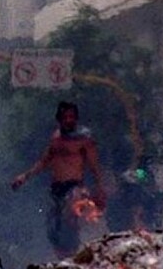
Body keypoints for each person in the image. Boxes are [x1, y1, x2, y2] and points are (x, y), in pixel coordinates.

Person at [11, 101, 107, 257]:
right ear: (59, 119)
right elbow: (44, 161)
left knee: (71, 214)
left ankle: (82, 249)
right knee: (54, 227)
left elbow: (94, 165)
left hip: (74, 188)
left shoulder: (84, 139)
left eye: (72, 117)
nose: (69, 120)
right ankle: (65, 258)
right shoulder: (56, 139)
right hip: (57, 190)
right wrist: (24, 177)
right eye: (65, 117)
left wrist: (100, 187)